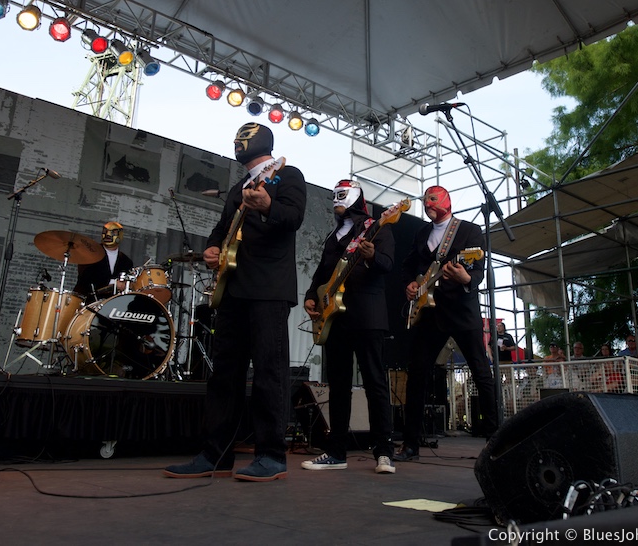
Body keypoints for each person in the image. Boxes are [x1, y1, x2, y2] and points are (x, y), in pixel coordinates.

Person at [164, 122, 306, 482]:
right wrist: (212, 247)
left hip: (269, 288)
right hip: (233, 288)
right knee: (224, 375)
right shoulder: (237, 188)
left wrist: (268, 203)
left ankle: (271, 456)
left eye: (243, 138)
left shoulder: (286, 174)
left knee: (269, 374)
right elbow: (222, 227)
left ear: (260, 142)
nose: (237, 143)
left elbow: (293, 218)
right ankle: (216, 454)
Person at [394, 185, 497, 461]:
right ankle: (411, 444)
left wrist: (467, 279)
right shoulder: (422, 234)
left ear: (446, 202)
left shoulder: (469, 231)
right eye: (425, 201)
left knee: (481, 373)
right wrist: (411, 283)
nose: (428, 204)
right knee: (417, 374)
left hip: (462, 312)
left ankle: (496, 440)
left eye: (432, 200)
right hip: (430, 314)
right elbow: (407, 266)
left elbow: (477, 270)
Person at [300, 180, 396, 475]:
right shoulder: (334, 234)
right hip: (335, 317)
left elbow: (388, 264)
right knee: (338, 386)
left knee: (374, 383)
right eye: (335, 196)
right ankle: (336, 451)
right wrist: (310, 296)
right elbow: (322, 270)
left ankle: (384, 452)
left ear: (355, 198)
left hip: (367, 315)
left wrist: (370, 257)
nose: (336, 201)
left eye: (342, 196)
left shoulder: (377, 227)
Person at [73, 221, 135, 303]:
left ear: (120, 235)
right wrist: (114, 283)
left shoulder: (126, 261)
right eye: (105, 231)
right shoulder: (91, 253)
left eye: (113, 232)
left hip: (111, 306)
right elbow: (86, 277)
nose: (108, 235)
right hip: (86, 302)